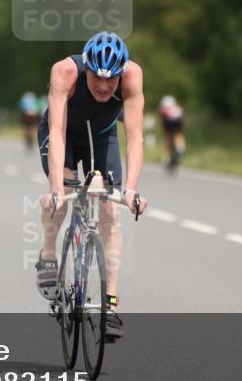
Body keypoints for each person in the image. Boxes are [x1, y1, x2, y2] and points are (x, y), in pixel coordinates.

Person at [35, 31, 148, 342]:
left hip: (103, 135)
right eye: (96, 78)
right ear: (85, 69)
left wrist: (132, 190)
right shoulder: (65, 71)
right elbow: (57, 133)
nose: (103, 85)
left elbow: (135, 137)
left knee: (111, 211)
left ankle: (109, 306)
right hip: (63, 134)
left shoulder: (132, 76)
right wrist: (57, 187)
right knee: (63, 193)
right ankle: (47, 254)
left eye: (111, 80)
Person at [158, 95, 185, 173]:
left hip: (168, 125)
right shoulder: (178, 108)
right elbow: (182, 119)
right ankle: (180, 147)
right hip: (177, 124)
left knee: (167, 138)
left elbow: (162, 120)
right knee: (178, 133)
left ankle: (166, 158)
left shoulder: (163, 109)